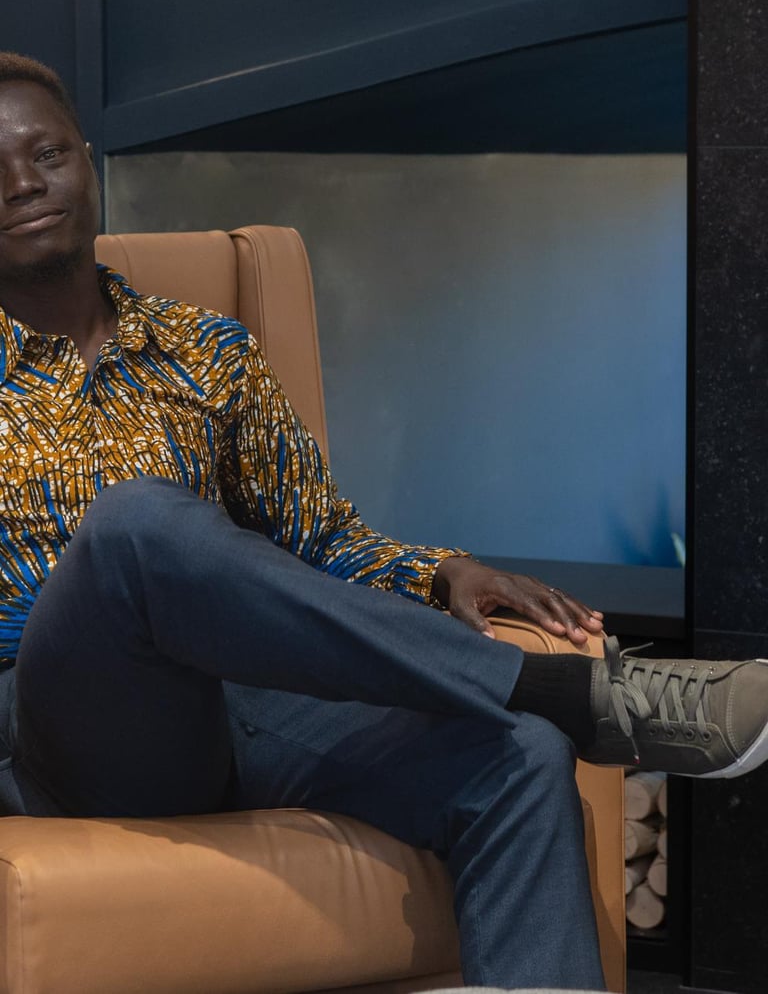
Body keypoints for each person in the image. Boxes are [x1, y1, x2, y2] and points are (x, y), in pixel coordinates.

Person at [0, 50, 767, 992]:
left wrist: (442, 572)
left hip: (230, 707)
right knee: (135, 527)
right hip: (54, 729)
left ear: (83, 160)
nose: (21, 184)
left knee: (519, 757)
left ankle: (546, 718)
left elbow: (319, 537)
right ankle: (568, 694)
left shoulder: (209, 352)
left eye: (45, 154)